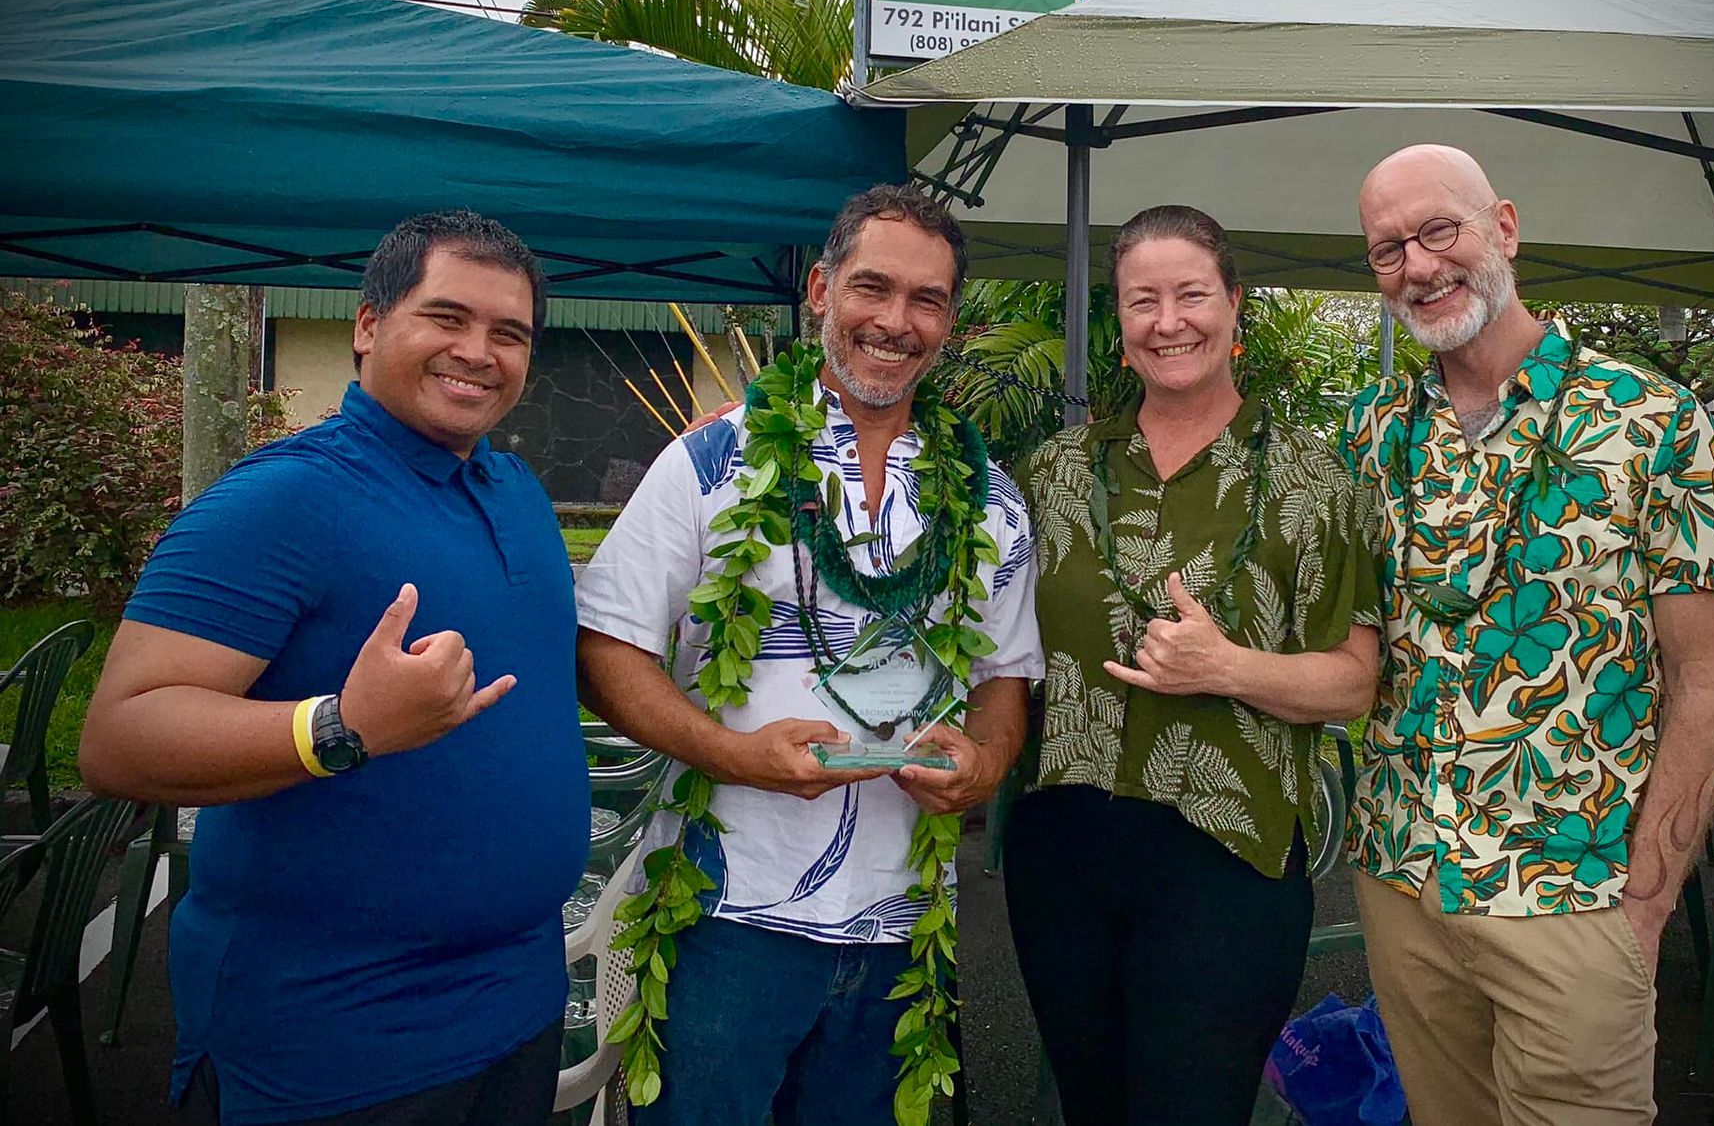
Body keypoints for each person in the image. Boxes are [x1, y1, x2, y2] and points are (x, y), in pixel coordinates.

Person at [78, 212, 588, 1126]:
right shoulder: (283, 498)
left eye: (509, 333)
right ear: (368, 324)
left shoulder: (516, 491)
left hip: (518, 1009)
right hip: (334, 1045)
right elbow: (118, 737)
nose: (478, 352)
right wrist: (338, 727)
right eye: (447, 317)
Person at [574, 184, 1042, 1126]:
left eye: (927, 299)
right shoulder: (713, 462)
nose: (896, 321)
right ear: (822, 289)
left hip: (904, 925)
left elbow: (1004, 677)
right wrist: (735, 754)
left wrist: (988, 762)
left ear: (950, 321)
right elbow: (605, 648)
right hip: (725, 911)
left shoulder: (991, 500)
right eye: (874, 287)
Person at [1340, 145, 1714, 1125]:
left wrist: (1647, 900)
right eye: (1389, 249)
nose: (1418, 265)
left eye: (1439, 230)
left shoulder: (1652, 420)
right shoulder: (1371, 430)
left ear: (1506, 228)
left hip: (1575, 890)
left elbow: (1707, 680)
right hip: (1403, 879)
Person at [1005, 205, 1383, 1126]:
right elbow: (995, 645)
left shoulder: (1313, 479)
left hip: (1229, 858)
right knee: (1093, 1108)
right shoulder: (1053, 471)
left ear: (1234, 304)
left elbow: (1355, 679)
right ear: (1120, 322)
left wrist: (1227, 666)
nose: (1168, 320)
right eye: (1144, 300)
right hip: (1063, 850)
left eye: (1191, 295)